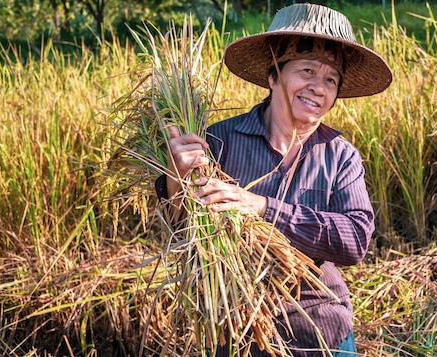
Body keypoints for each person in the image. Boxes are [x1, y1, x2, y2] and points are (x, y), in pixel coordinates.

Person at [155, 3, 392, 356]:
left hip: (321, 330)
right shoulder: (218, 141)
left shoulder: (340, 156)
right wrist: (177, 176)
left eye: (330, 79)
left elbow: (355, 239)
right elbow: (180, 227)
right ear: (273, 76)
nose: (318, 88)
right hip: (239, 333)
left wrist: (262, 207)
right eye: (307, 70)